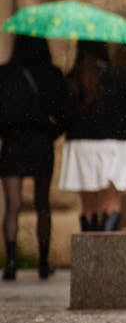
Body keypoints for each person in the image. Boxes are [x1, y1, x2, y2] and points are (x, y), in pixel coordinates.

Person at [0, 36, 69, 279]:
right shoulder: (52, 75)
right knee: (43, 205)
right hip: (41, 143)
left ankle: (10, 261)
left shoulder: (5, 74)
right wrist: (50, 132)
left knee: (12, 205)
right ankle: (42, 260)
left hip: (12, 144)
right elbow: (64, 113)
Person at [60, 40, 126, 233]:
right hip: (113, 144)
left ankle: (87, 255)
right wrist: (119, 123)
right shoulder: (121, 77)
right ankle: (107, 254)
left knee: (88, 207)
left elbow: (63, 113)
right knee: (111, 202)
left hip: (80, 146)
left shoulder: (73, 79)